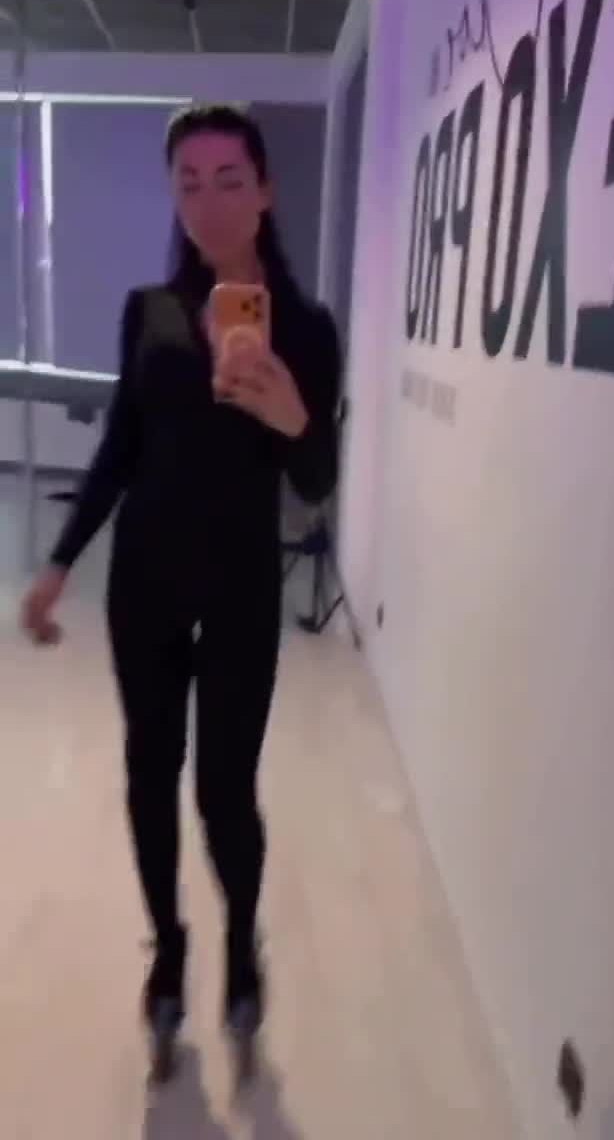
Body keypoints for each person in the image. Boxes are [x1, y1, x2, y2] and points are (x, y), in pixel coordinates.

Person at [20, 104, 341, 1048]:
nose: (208, 204)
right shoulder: (150, 311)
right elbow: (120, 448)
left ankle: (242, 943)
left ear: (265, 191)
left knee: (224, 793)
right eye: (188, 183)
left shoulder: (306, 328)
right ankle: (168, 947)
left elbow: (315, 483)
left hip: (242, 587)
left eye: (229, 180)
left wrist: (292, 416)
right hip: (145, 584)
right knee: (149, 775)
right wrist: (59, 562)